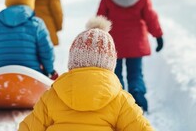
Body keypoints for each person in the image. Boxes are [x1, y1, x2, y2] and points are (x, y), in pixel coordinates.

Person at [19, 16, 154, 131]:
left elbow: (27, 128)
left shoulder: (53, 96)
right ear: (110, 63)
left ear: (73, 60)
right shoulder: (120, 99)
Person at [96, 0, 164, 112]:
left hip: (115, 45)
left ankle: (118, 101)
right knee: (135, 73)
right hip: (136, 44)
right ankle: (138, 97)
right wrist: (158, 35)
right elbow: (150, 17)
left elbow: (100, 18)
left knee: (116, 74)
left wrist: (97, 39)